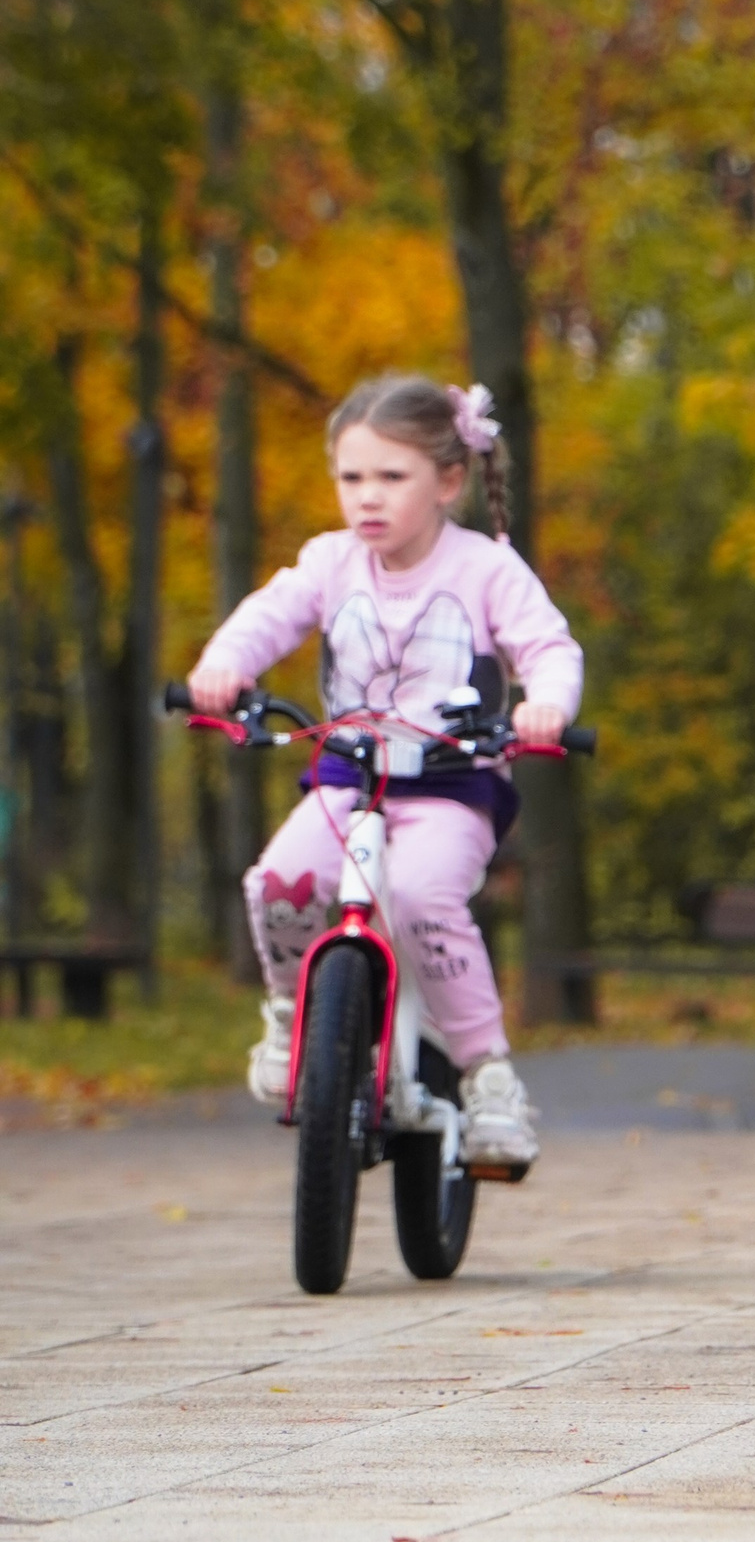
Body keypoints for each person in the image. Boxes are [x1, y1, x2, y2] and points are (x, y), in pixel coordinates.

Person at [187, 374, 584, 1173]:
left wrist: (545, 705)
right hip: (349, 776)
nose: (367, 497)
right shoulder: (330, 562)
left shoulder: (485, 569)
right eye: (351, 477)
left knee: (422, 896)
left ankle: (488, 1078)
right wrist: (224, 664)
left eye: (392, 477)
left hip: (452, 782)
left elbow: (548, 647)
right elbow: (269, 615)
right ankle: (290, 1013)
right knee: (281, 883)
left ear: (448, 481)